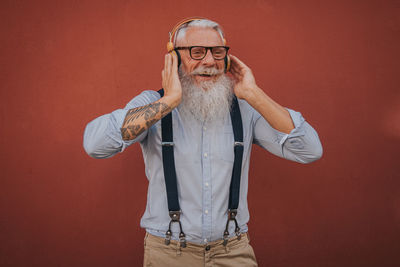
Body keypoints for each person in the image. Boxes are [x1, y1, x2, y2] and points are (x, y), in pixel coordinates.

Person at [83, 18, 323, 267]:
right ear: (173, 59)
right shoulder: (152, 104)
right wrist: (169, 101)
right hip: (168, 253)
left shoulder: (245, 109)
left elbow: (309, 150)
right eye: (196, 52)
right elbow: (96, 144)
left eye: (217, 52)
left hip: (233, 251)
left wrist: (253, 93)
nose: (209, 61)